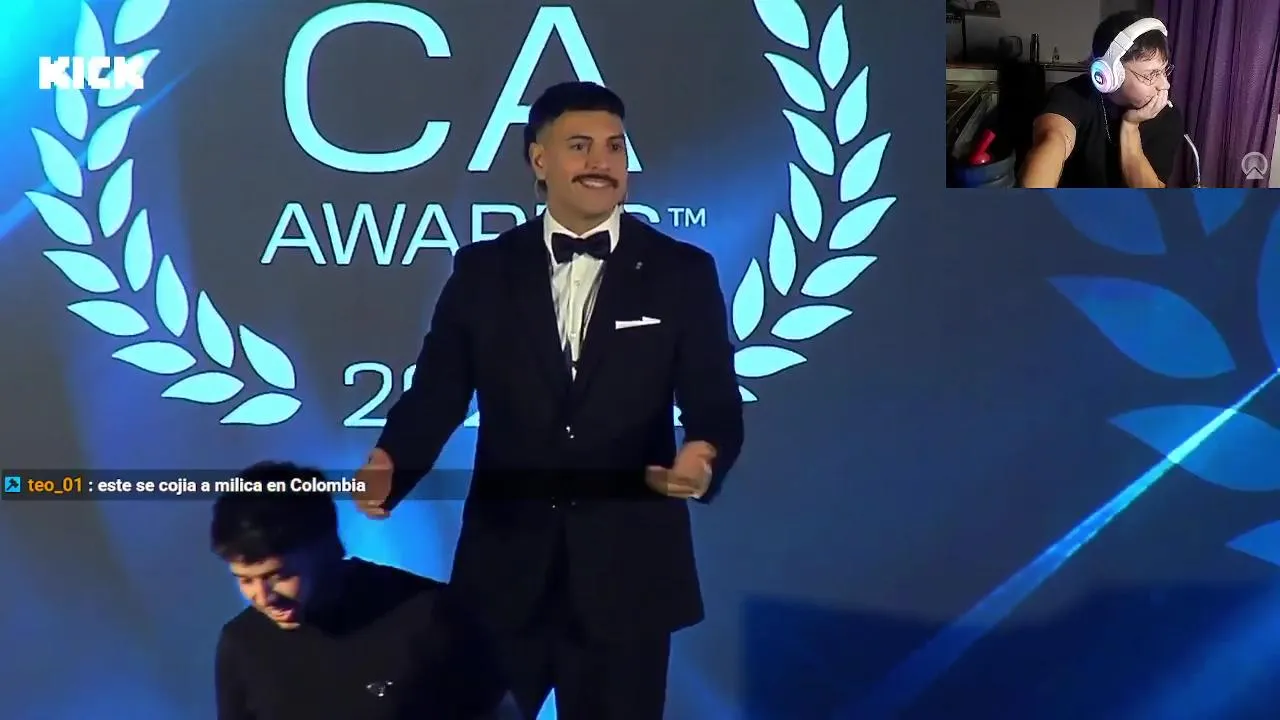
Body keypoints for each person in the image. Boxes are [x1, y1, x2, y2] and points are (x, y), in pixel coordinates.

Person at [353, 81, 744, 719]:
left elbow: (715, 401)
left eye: (614, 147)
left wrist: (702, 454)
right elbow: (438, 392)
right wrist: (391, 460)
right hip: (504, 573)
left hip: (629, 577)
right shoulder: (484, 270)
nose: (602, 162)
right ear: (539, 159)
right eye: (580, 146)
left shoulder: (681, 272)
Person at [211, 461, 508, 719]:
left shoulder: (430, 614)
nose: (263, 597)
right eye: (245, 580)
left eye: (279, 576)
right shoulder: (241, 642)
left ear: (327, 548)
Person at [1021, 12, 1184, 188]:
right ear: (1110, 74)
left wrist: (1130, 127)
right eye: (1151, 74)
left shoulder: (1167, 116)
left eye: (1164, 70)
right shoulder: (1072, 95)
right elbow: (1052, 140)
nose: (1165, 85)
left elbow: (1150, 196)